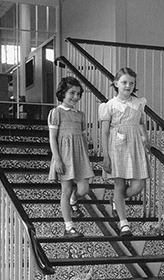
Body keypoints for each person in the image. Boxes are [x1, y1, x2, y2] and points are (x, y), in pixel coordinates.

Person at [99, 67, 151, 237]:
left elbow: (142, 122)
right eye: (124, 82)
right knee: (119, 184)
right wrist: (105, 155)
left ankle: (117, 200)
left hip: (135, 144)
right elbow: (105, 132)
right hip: (117, 145)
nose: (128, 86)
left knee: (138, 185)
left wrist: (145, 138)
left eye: (131, 83)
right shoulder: (110, 105)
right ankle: (124, 223)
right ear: (116, 84)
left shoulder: (138, 103)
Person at [48, 77, 94, 237]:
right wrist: (57, 159)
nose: (75, 97)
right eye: (72, 93)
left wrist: (86, 156)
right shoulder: (56, 113)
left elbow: (83, 137)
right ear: (63, 93)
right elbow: (52, 138)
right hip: (64, 155)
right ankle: (69, 227)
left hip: (79, 155)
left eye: (78, 93)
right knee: (66, 190)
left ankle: (74, 201)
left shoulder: (80, 115)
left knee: (84, 189)